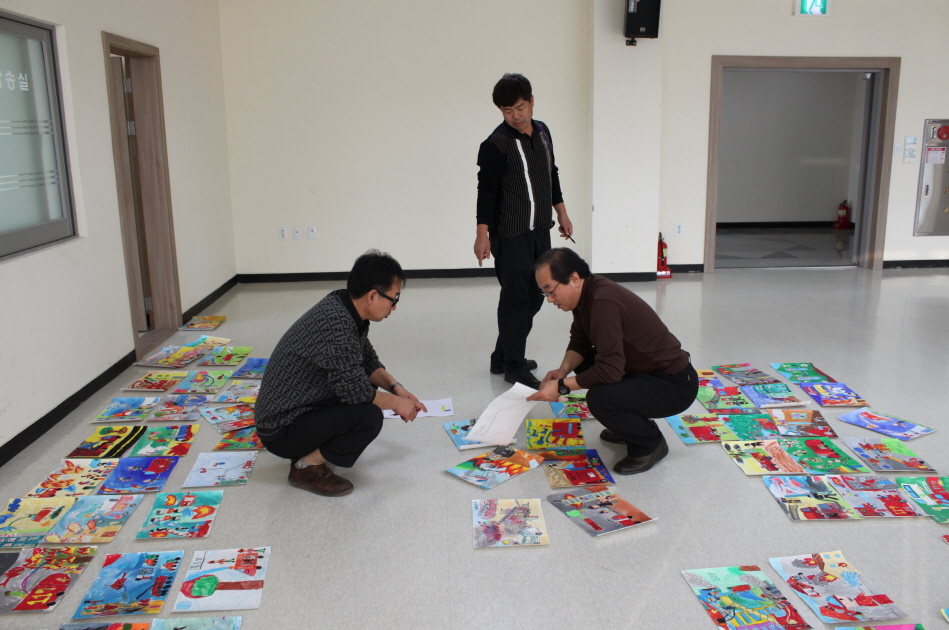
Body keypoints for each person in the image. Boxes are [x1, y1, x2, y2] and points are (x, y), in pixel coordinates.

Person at [255, 250, 427, 496]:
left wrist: (396, 388)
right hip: (280, 429)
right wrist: (397, 404)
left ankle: (311, 451)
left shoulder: (346, 307)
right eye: (394, 298)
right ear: (372, 296)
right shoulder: (336, 324)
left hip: (298, 409)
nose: (395, 306)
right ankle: (305, 467)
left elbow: (367, 361)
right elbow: (356, 392)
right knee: (368, 417)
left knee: (369, 394)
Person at [526, 248, 698, 474]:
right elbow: (580, 340)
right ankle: (630, 424)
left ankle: (650, 443)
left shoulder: (603, 302)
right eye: (545, 293)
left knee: (601, 399)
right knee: (585, 364)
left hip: (674, 384)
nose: (549, 299)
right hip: (645, 372)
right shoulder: (587, 292)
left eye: (551, 291)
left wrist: (561, 387)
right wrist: (563, 371)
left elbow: (609, 371)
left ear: (574, 278)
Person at [474, 73, 574, 389]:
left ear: (531, 102)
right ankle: (514, 366)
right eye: (507, 111)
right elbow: (486, 191)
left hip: (540, 230)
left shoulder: (542, 132)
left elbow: (550, 174)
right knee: (516, 298)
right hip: (511, 233)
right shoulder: (494, 145)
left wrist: (562, 212)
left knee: (536, 294)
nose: (515, 116)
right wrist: (482, 234)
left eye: (520, 108)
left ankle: (503, 355)